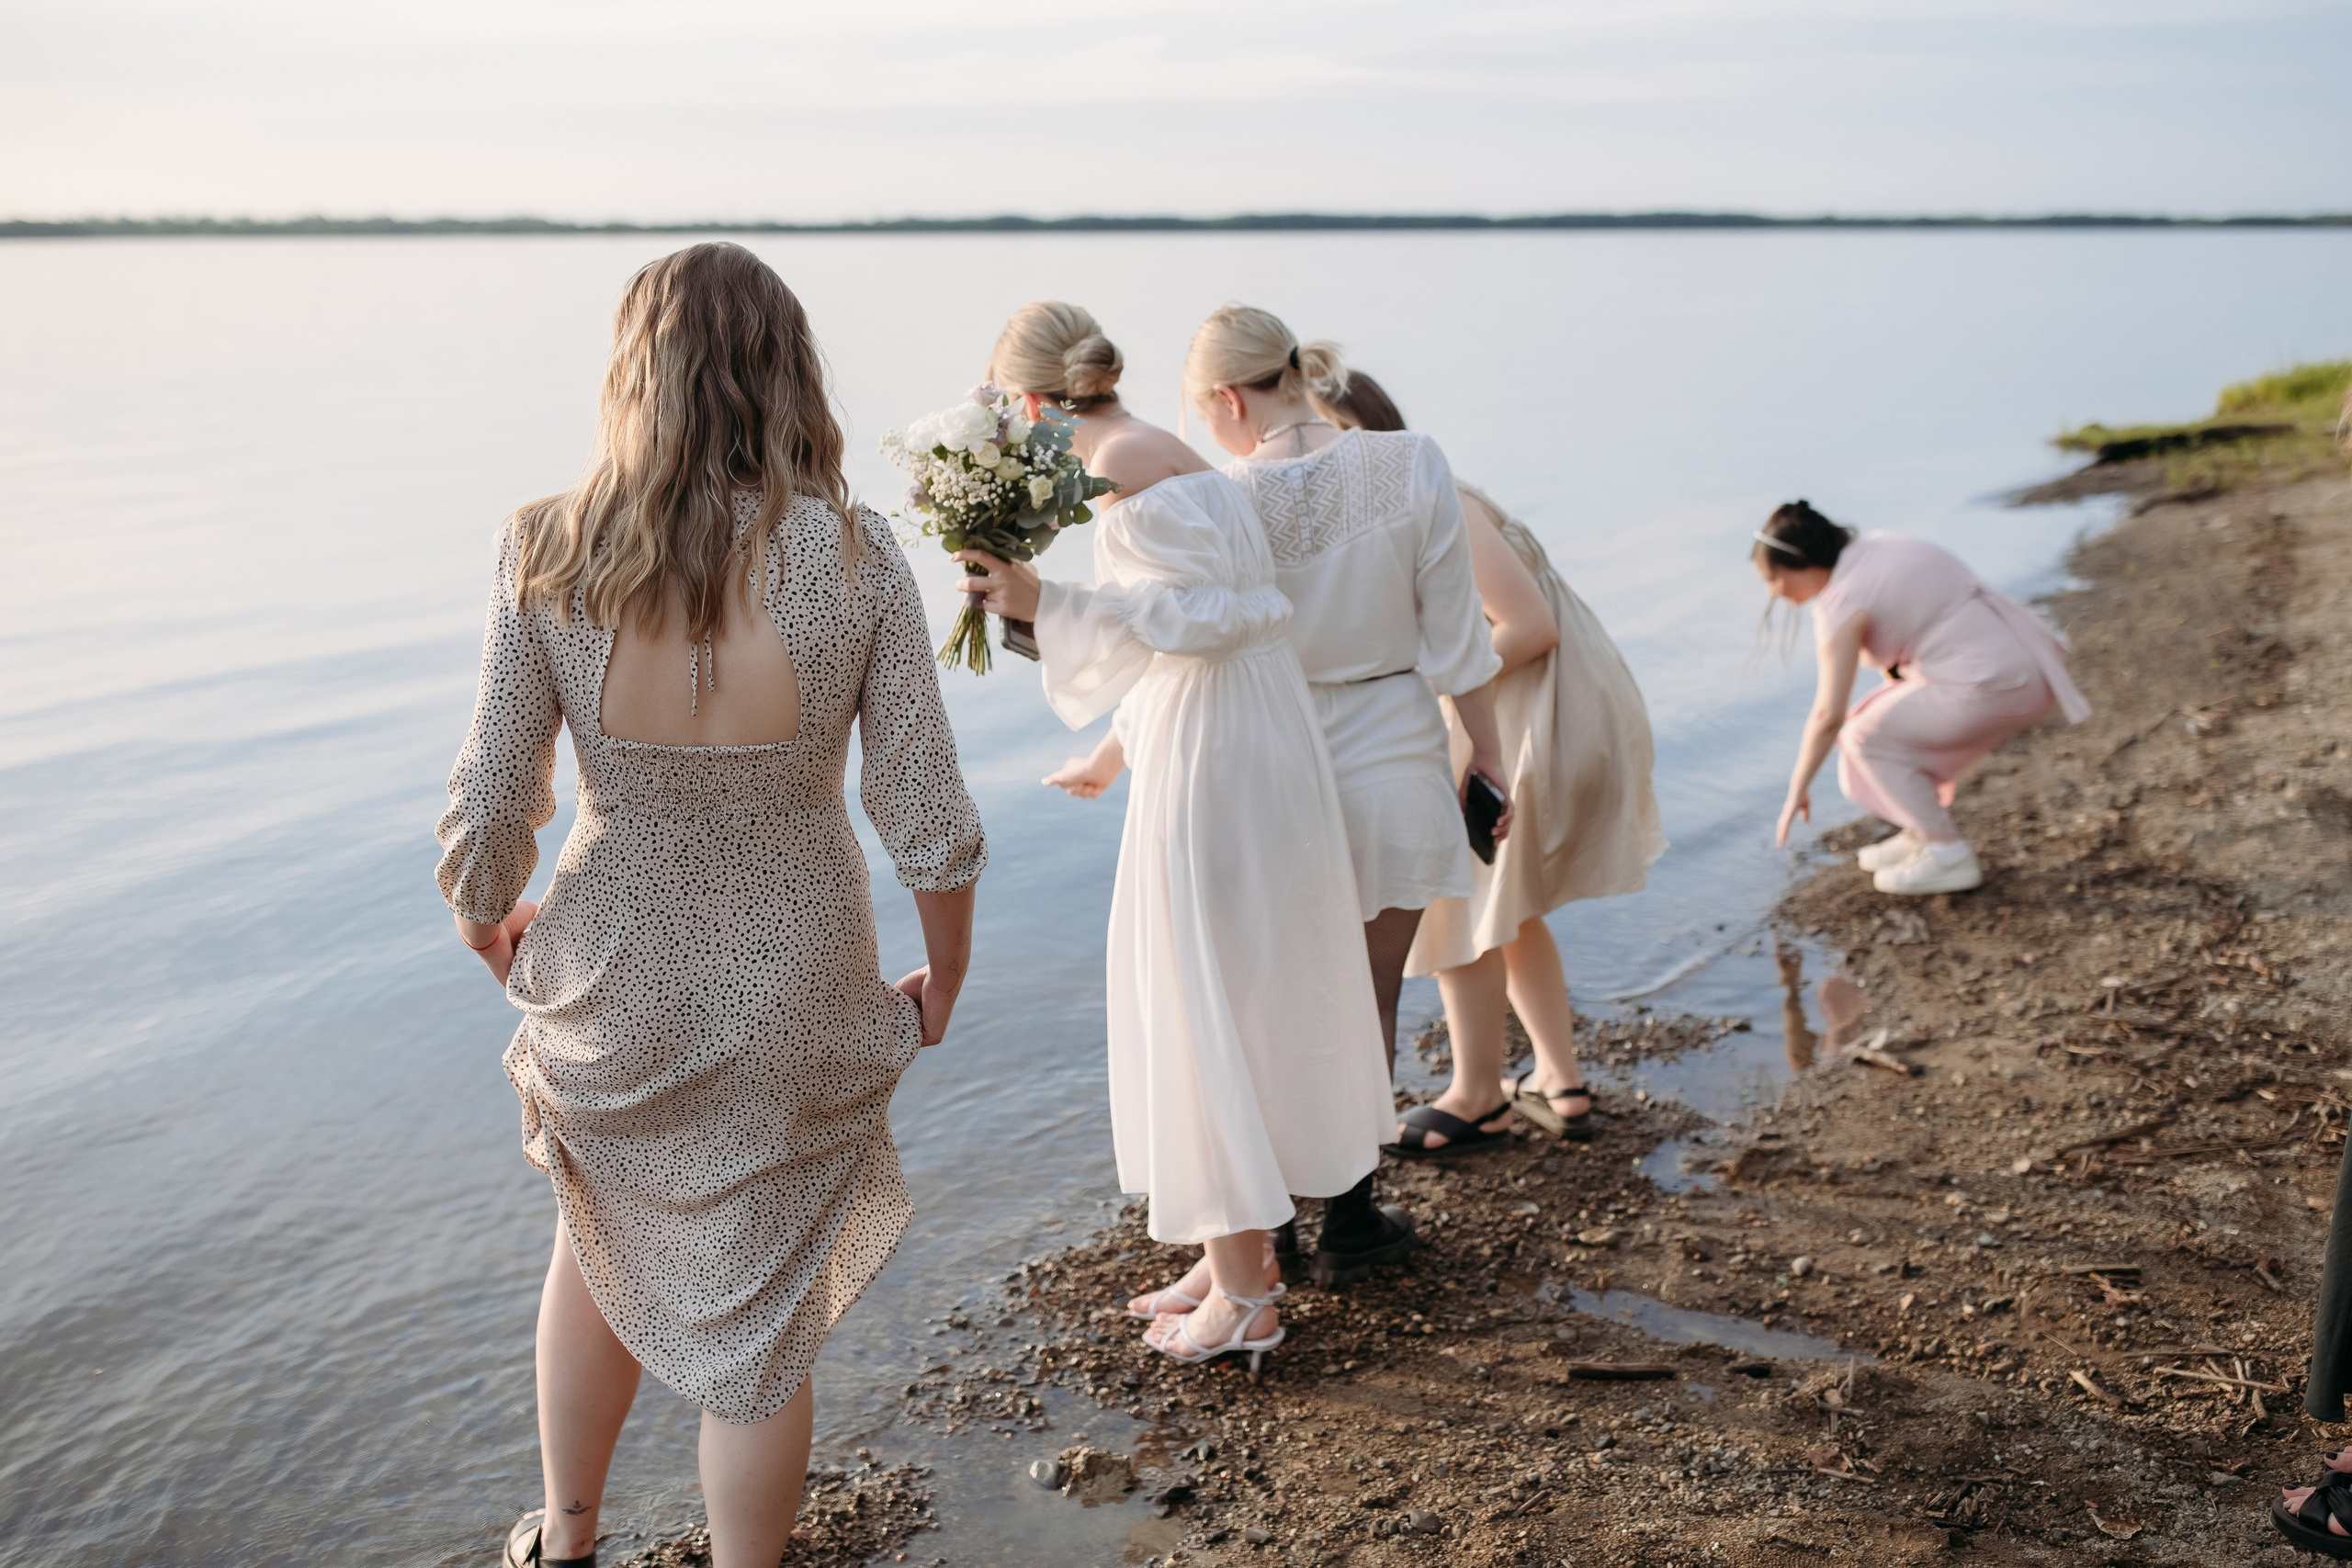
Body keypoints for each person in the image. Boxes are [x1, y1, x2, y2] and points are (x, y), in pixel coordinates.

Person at [435, 243, 986, 1568]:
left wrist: (484, 915)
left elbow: (494, 792)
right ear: (786, 367)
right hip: (796, 960)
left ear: (635, 370)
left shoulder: (546, 541)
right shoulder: (854, 555)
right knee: (763, 1310)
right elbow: (929, 811)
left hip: (608, 959)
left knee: (597, 1230)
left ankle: (566, 1535)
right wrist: (945, 976)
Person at [952, 301, 1392, 1357]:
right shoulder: (1160, 450)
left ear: (1023, 403)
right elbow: (1200, 621)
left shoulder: (1122, 471)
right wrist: (1112, 746)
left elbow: (1219, 617)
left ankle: (1247, 1294)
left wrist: (1038, 597)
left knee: (1200, 992)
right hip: (1248, 731)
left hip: (1221, 747)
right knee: (1232, 981)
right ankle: (1227, 1247)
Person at [1311, 370, 1665, 1152]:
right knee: (1504, 905)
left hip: (1537, 707)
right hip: (1526, 702)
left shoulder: (1442, 501)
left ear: (1363, 438)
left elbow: (1531, 625)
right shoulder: (1412, 502)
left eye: (1325, 439)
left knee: (1456, 899)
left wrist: (1410, 685)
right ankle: (1559, 1081)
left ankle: (1478, 1094)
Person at [1756, 500, 2089, 895]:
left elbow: (1830, 714)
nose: (1774, 593)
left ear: (1803, 566)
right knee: (1879, 714)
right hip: (2027, 664)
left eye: (1772, 580)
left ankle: (1947, 854)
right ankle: (1920, 832)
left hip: (1992, 685)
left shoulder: (1839, 602)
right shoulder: (1880, 544)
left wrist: (1797, 789)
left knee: (1865, 735)